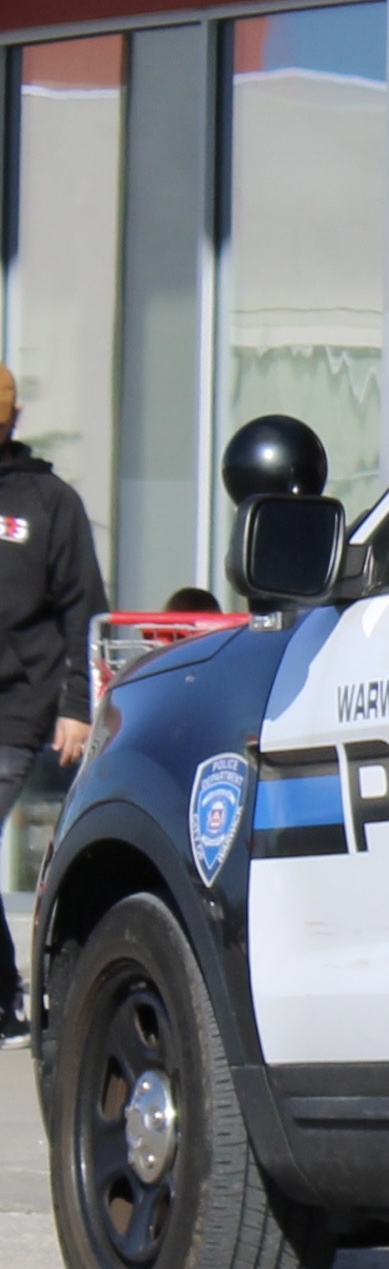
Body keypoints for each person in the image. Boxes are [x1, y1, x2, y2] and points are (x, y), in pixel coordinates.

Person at [0, 363, 108, 1036]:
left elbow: (82, 607)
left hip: (18, 704)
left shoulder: (47, 502)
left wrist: (75, 703)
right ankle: (7, 992)